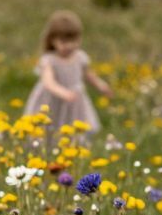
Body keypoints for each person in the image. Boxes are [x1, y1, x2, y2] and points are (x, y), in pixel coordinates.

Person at [24, 10, 111, 139]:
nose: (69, 46)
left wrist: (100, 85)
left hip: (74, 103)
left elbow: (88, 75)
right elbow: (48, 82)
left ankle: (73, 151)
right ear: (52, 40)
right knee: (50, 130)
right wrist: (63, 92)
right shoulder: (49, 60)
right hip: (52, 102)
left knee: (74, 131)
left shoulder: (80, 57)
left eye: (73, 40)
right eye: (64, 41)